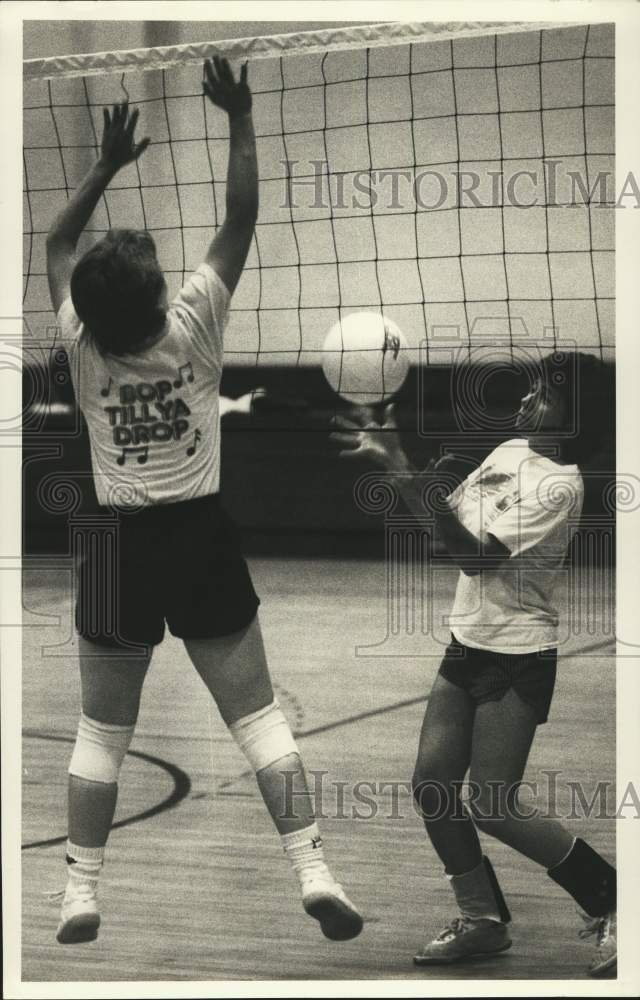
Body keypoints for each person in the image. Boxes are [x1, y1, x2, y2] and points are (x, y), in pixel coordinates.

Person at [46, 56, 362, 946]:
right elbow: (241, 215)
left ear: (90, 310)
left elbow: (54, 249)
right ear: (157, 298)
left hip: (114, 546)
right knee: (259, 721)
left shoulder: (80, 346)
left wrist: (104, 166)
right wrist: (241, 116)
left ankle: (79, 894)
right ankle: (314, 870)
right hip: (197, 538)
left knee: (101, 735)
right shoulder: (194, 326)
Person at [331, 352, 616, 977]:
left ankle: (616, 901)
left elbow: (476, 560)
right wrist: (398, 467)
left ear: (575, 414)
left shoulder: (560, 482)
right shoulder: (509, 452)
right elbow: (442, 533)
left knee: (493, 802)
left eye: (542, 394)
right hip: (468, 643)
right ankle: (483, 922)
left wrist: (407, 471)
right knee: (433, 787)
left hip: (518, 654)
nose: (524, 401)